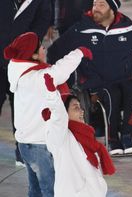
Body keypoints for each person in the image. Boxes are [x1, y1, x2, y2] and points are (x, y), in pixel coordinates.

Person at [47, 0, 132, 155]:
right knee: (111, 92)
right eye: (94, 4)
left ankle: (128, 134)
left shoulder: (127, 28)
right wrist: (63, 78)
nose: (96, 9)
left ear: (112, 10)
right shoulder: (82, 28)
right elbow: (55, 52)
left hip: (124, 80)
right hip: (95, 83)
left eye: (101, 5)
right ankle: (113, 138)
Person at [5, 31, 90, 197]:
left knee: (35, 189)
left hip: (25, 144)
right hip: (39, 145)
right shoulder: (38, 77)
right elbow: (60, 71)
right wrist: (79, 53)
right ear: (34, 55)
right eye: (41, 47)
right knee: (50, 190)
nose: (45, 48)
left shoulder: (20, 73)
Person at [0, 0, 52, 166]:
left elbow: (43, 18)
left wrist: (31, 43)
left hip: (22, 56)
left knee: (21, 105)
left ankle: (23, 152)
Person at [42, 75, 115, 197]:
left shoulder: (86, 136)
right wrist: (53, 95)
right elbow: (58, 118)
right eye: (76, 108)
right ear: (64, 113)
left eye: (81, 107)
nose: (82, 111)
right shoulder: (60, 136)